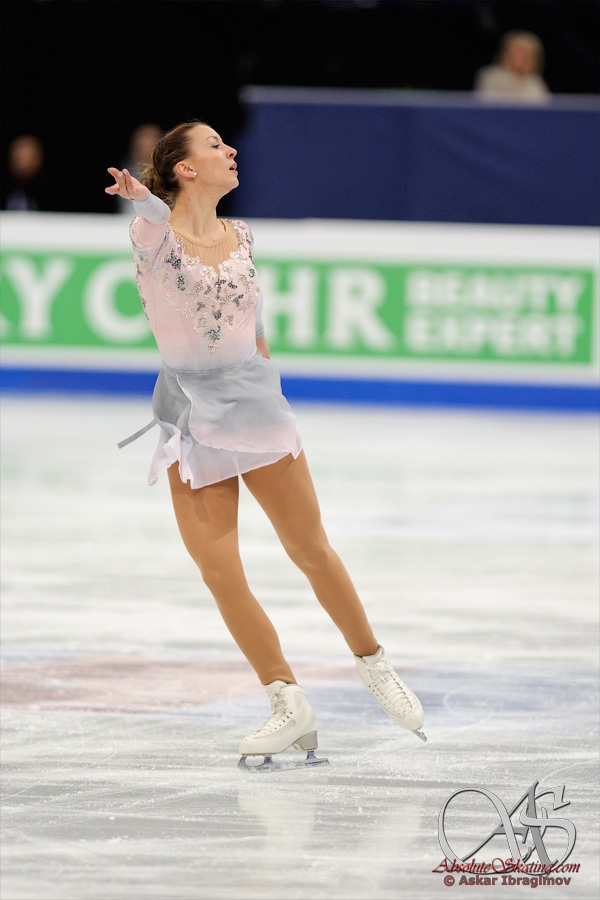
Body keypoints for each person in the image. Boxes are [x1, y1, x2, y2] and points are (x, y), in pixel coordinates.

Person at [105, 120, 426, 769]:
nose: (231, 150)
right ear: (185, 168)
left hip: (254, 405)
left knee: (310, 549)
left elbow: (254, 327)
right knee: (219, 570)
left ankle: (373, 663)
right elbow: (153, 219)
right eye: (215, 145)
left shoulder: (243, 235)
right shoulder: (154, 238)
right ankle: (286, 699)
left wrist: (271, 393)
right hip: (190, 413)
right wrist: (143, 198)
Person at [473, 30, 551, 101]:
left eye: (527, 56)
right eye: (518, 54)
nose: (522, 60)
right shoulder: (490, 77)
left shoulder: (536, 84)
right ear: (506, 55)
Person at [115, 123, 163, 214]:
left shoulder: (168, 175)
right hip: (127, 217)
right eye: (141, 144)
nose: (145, 147)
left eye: (150, 141)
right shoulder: (125, 168)